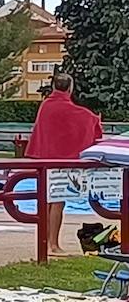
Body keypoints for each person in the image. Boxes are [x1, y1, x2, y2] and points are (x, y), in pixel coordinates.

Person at [27, 72, 101, 256]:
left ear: (53, 87)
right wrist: (96, 119)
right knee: (58, 202)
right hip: (61, 161)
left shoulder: (45, 106)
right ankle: (53, 245)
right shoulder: (68, 109)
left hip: (44, 159)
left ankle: (45, 243)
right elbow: (85, 120)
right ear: (70, 88)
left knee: (46, 201)